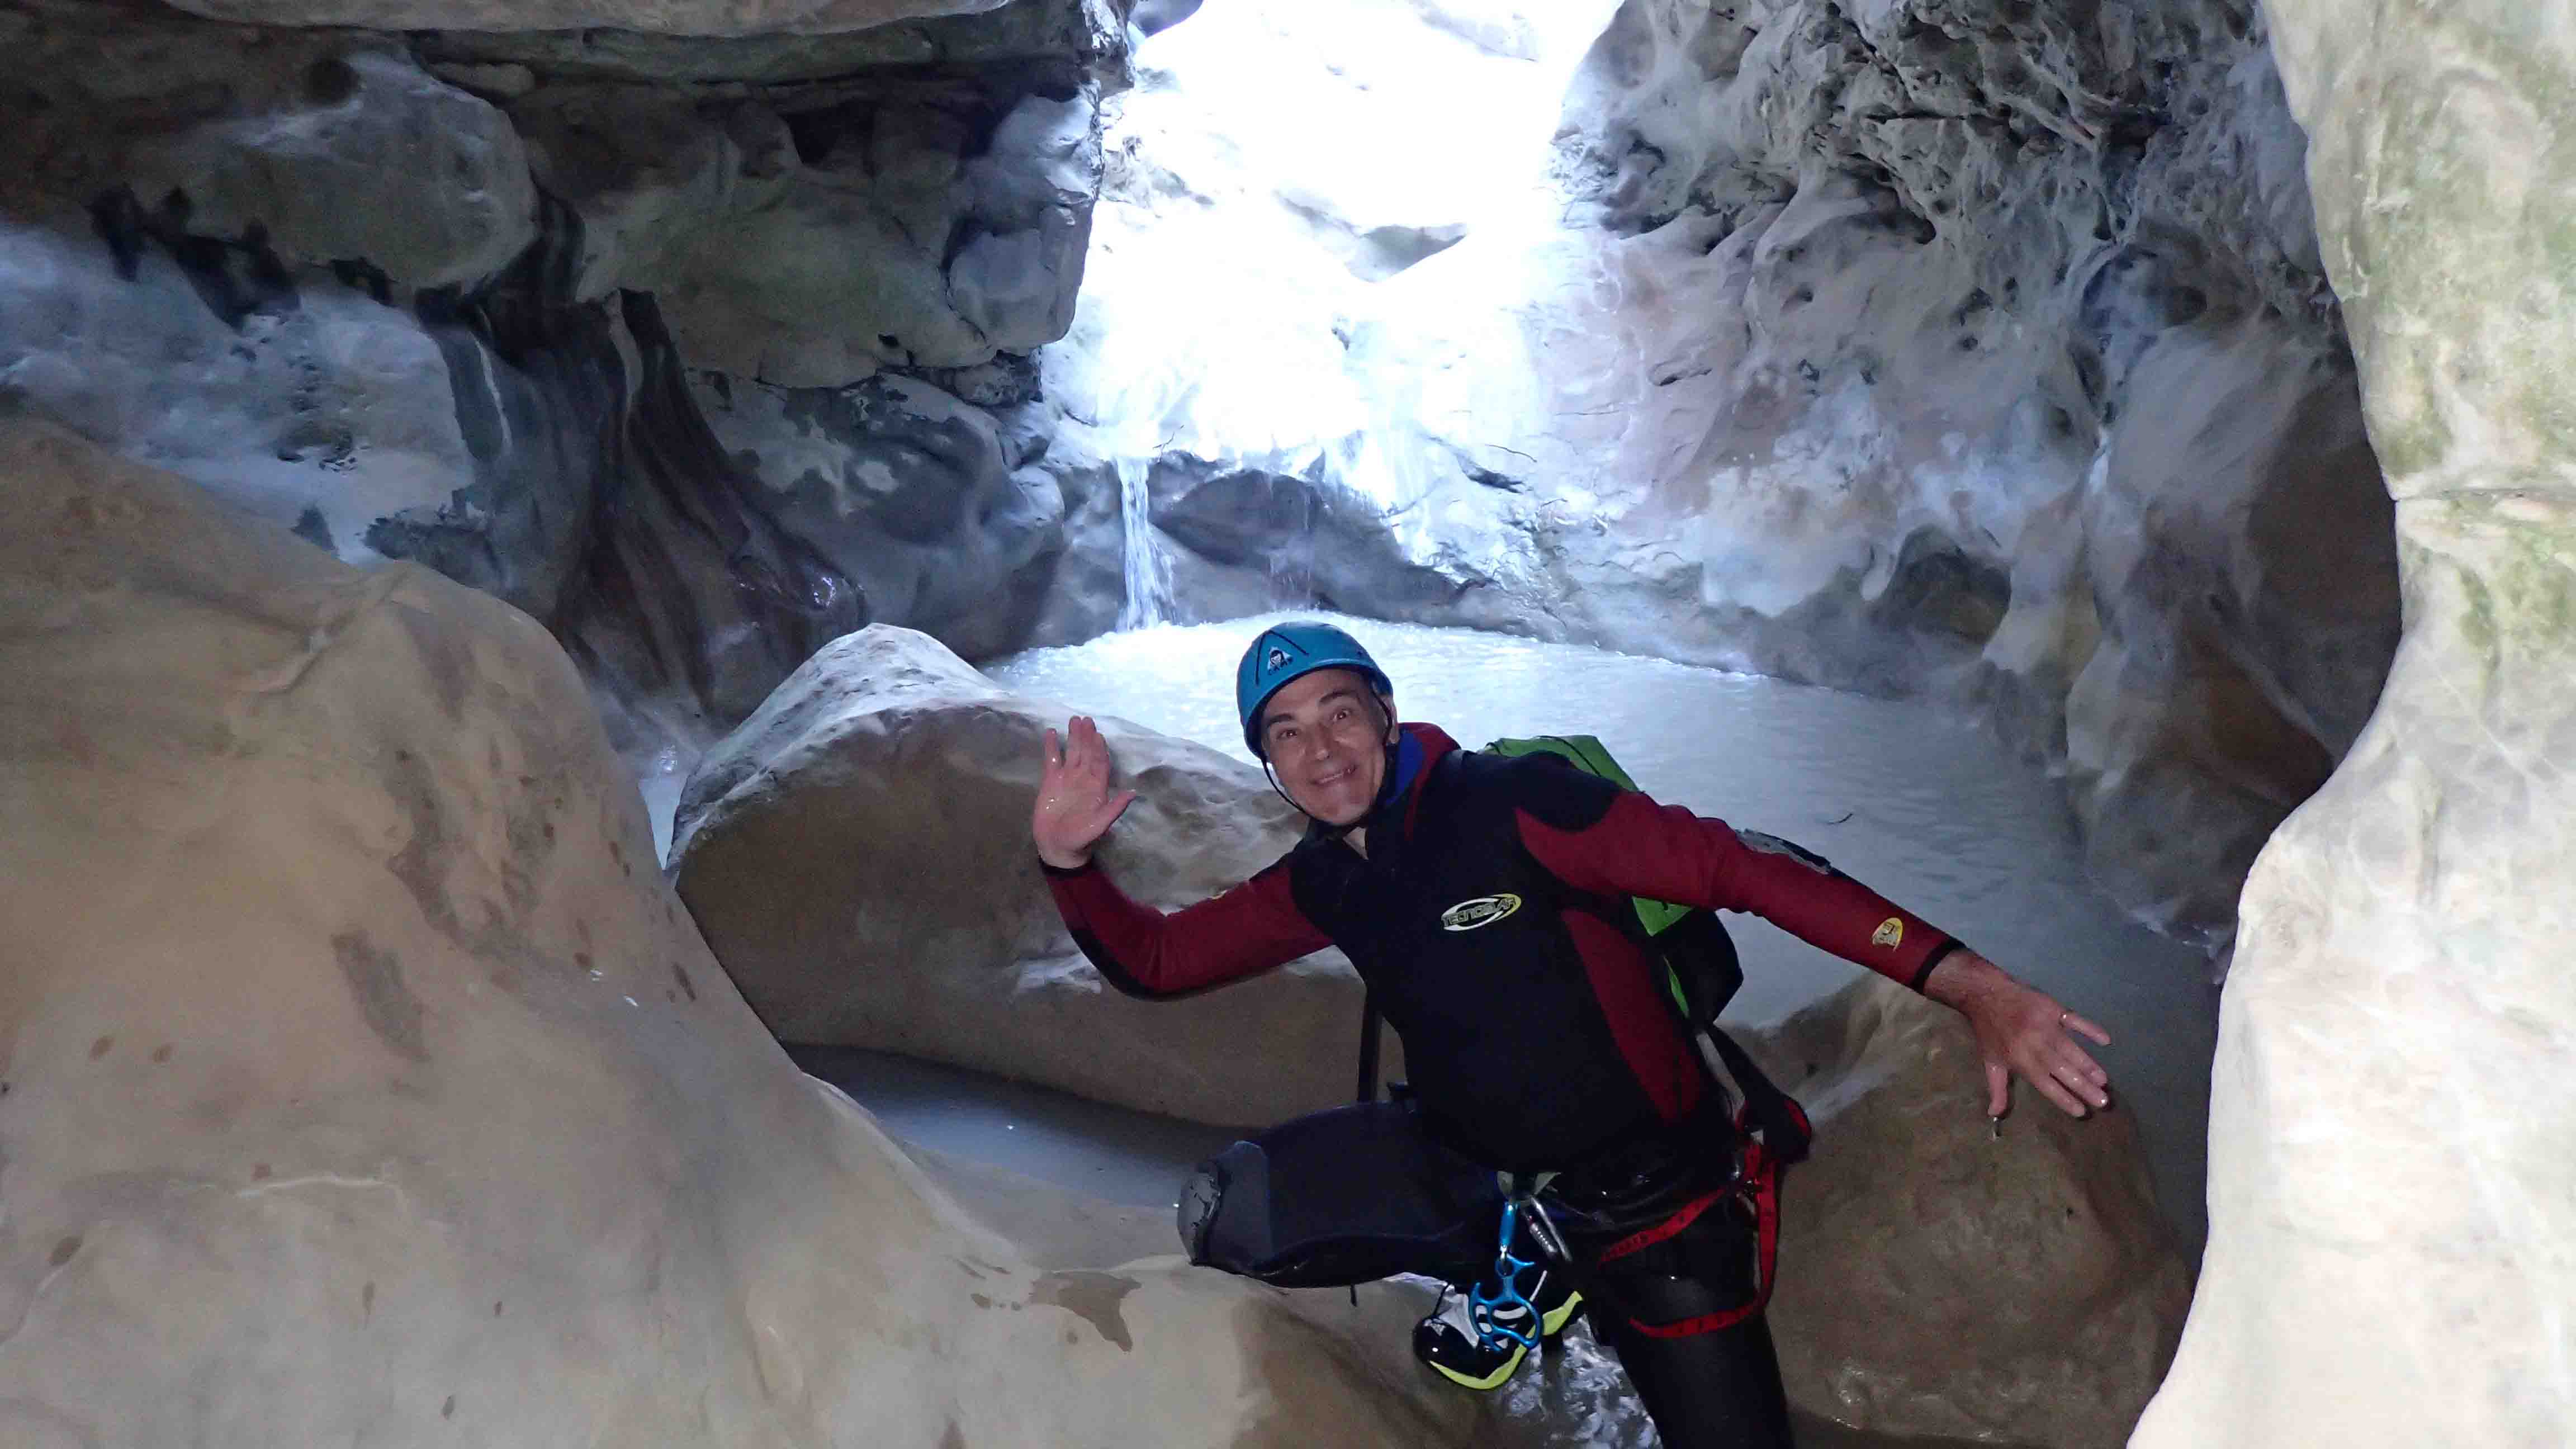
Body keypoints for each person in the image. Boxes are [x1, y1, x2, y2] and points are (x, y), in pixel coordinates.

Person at [1031, 622, 2113, 1447]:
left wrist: (1968, 983)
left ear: (1387, 712)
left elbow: (1748, 868)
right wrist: (1067, 863)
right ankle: (1523, 1262)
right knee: (1225, 1214)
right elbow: (1158, 963)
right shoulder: (1326, 878)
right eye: (1287, 732)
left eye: (1340, 713)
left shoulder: (1516, 804)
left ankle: (1560, 1265)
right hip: (1475, 1168)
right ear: (1269, 763)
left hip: (1650, 1205)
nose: (1322, 750)